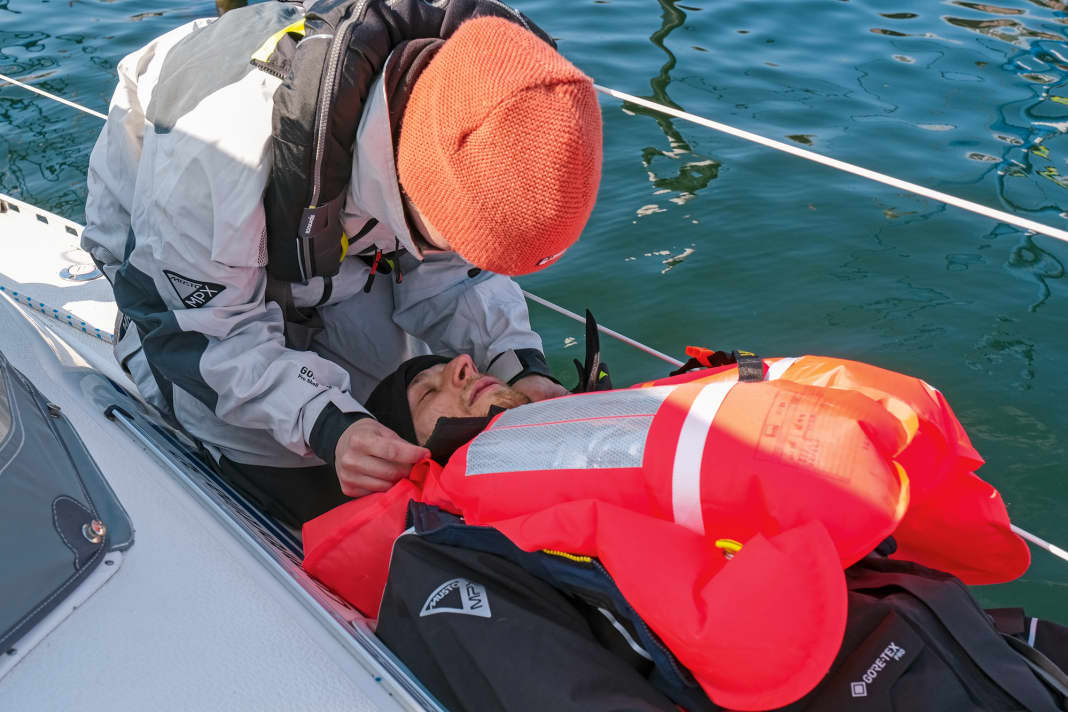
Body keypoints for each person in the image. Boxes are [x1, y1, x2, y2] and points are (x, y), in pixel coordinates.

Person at [80, 0, 603, 528]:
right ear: (414, 189)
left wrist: (518, 366)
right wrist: (328, 425)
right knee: (304, 480)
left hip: (337, 257)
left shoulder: (479, 114)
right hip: (182, 288)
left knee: (398, 414)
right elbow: (205, 337)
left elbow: (457, 276)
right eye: (457, 238)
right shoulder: (215, 156)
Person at [304, 349, 1037, 710]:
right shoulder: (456, 542)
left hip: (942, 624)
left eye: (457, 364)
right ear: (405, 453)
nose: (460, 369)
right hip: (854, 678)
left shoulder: (614, 418)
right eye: (429, 391)